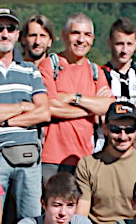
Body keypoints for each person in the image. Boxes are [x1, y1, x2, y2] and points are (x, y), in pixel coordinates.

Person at [0, 8, 51, 224]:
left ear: (17, 35)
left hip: (28, 156)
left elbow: (44, 112)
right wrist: (23, 106)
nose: (5, 34)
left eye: (11, 28)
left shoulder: (31, 70)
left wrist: (4, 120)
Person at [38, 13, 114, 178]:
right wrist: (91, 108)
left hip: (85, 158)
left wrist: (74, 98)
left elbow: (108, 107)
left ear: (92, 39)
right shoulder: (49, 65)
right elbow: (48, 107)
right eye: (75, 33)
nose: (81, 40)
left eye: (87, 35)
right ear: (64, 36)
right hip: (51, 158)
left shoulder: (96, 71)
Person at [75, 103, 136, 224]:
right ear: (105, 129)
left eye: (129, 130)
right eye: (116, 130)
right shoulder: (87, 165)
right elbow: (81, 217)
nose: (123, 136)